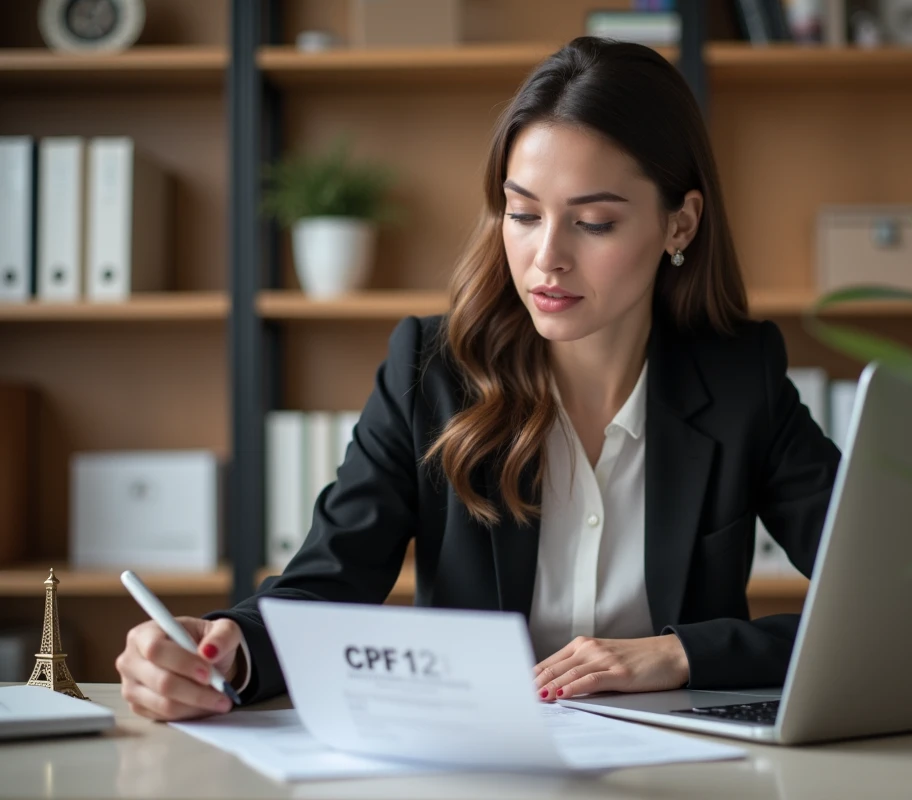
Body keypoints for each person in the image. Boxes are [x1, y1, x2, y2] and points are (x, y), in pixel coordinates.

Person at [115, 36, 841, 722]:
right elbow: (328, 582)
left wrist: (683, 654)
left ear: (679, 226)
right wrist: (225, 651)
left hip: (688, 769)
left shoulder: (743, 377)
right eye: (522, 214)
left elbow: (879, 607)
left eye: (592, 223)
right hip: (478, 761)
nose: (545, 258)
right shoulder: (429, 371)